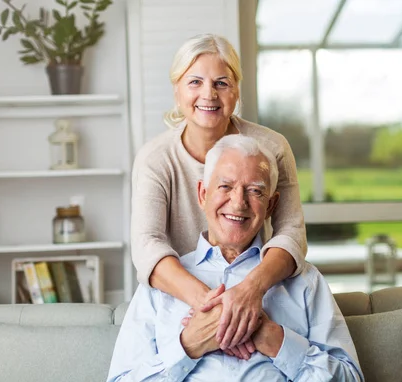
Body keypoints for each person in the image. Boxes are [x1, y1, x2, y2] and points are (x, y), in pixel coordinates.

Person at [106, 135, 364, 382]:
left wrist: (272, 338)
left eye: (255, 190)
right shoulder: (163, 283)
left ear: (271, 205)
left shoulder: (303, 280)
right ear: (203, 194)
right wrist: (189, 345)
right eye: (225, 186)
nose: (238, 202)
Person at [131, 33, 306, 350]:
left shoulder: (272, 148)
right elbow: (146, 245)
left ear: (237, 90)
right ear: (177, 90)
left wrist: (249, 292)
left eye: (221, 83)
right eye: (195, 82)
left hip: (259, 295)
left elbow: (291, 232)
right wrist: (215, 307)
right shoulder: (155, 159)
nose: (208, 94)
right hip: (182, 303)